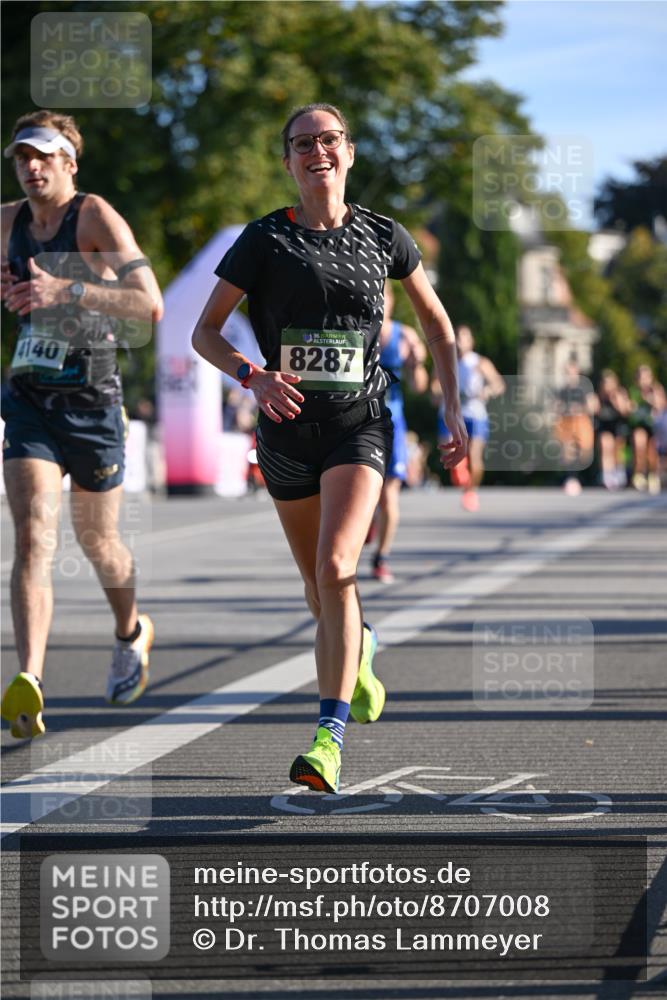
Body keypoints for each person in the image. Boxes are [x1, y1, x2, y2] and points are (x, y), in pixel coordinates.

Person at [192, 103, 466, 794]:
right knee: (318, 591)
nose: (317, 150)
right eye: (302, 142)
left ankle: (327, 737)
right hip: (285, 430)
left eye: (329, 139)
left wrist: (452, 409)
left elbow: (434, 322)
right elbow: (206, 332)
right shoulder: (263, 240)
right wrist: (251, 377)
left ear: (348, 152)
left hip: (359, 422)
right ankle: (361, 646)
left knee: (338, 566)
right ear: (287, 160)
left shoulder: (383, 235)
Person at [1, 110, 163, 739]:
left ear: (70, 162)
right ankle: (30, 684)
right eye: (21, 157)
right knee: (33, 532)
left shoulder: (93, 216)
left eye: (43, 155)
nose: (31, 167)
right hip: (30, 397)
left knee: (98, 543)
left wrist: (66, 290)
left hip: (94, 398)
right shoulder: (9, 222)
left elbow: (147, 304)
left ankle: (130, 631)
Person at [368, 279, 428, 584]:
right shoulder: (356, 332)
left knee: (389, 495)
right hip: (360, 421)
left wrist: (416, 364)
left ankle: (382, 557)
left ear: (390, 301)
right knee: (363, 494)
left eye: (383, 296)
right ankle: (367, 525)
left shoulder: (404, 336)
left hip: (394, 422)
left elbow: (420, 387)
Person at [434, 325, 505, 511]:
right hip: (450, 412)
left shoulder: (480, 362)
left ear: (471, 341)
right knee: (448, 453)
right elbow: (433, 388)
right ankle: (461, 472)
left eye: (464, 337)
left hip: (475, 413)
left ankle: (471, 491)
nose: (459, 340)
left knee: (475, 456)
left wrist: (488, 391)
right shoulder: (444, 361)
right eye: (457, 336)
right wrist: (437, 393)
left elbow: (499, 384)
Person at [553, 355, 596, 496]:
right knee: (568, 451)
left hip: (581, 422)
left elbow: (593, 406)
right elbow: (556, 407)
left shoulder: (585, 387)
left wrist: (579, 409)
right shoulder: (563, 390)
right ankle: (571, 478)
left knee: (582, 452)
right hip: (567, 422)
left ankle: (581, 478)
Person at [628, 364, 663, 494]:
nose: (643, 380)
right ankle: (638, 474)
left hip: (654, 425)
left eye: (646, 377)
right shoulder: (633, 391)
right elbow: (629, 408)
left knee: (652, 453)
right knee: (639, 445)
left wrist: (651, 400)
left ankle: (653, 475)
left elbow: (661, 405)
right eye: (640, 377)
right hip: (639, 424)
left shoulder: (656, 389)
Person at [594, 369, 631, 490]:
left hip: (618, 426)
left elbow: (625, 411)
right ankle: (607, 475)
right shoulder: (598, 396)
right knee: (606, 444)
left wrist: (615, 399)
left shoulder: (620, 393)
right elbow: (595, 411)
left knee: (617, 448)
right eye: (605, 383)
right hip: (604, 426)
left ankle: (619, 472)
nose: (607, 386)